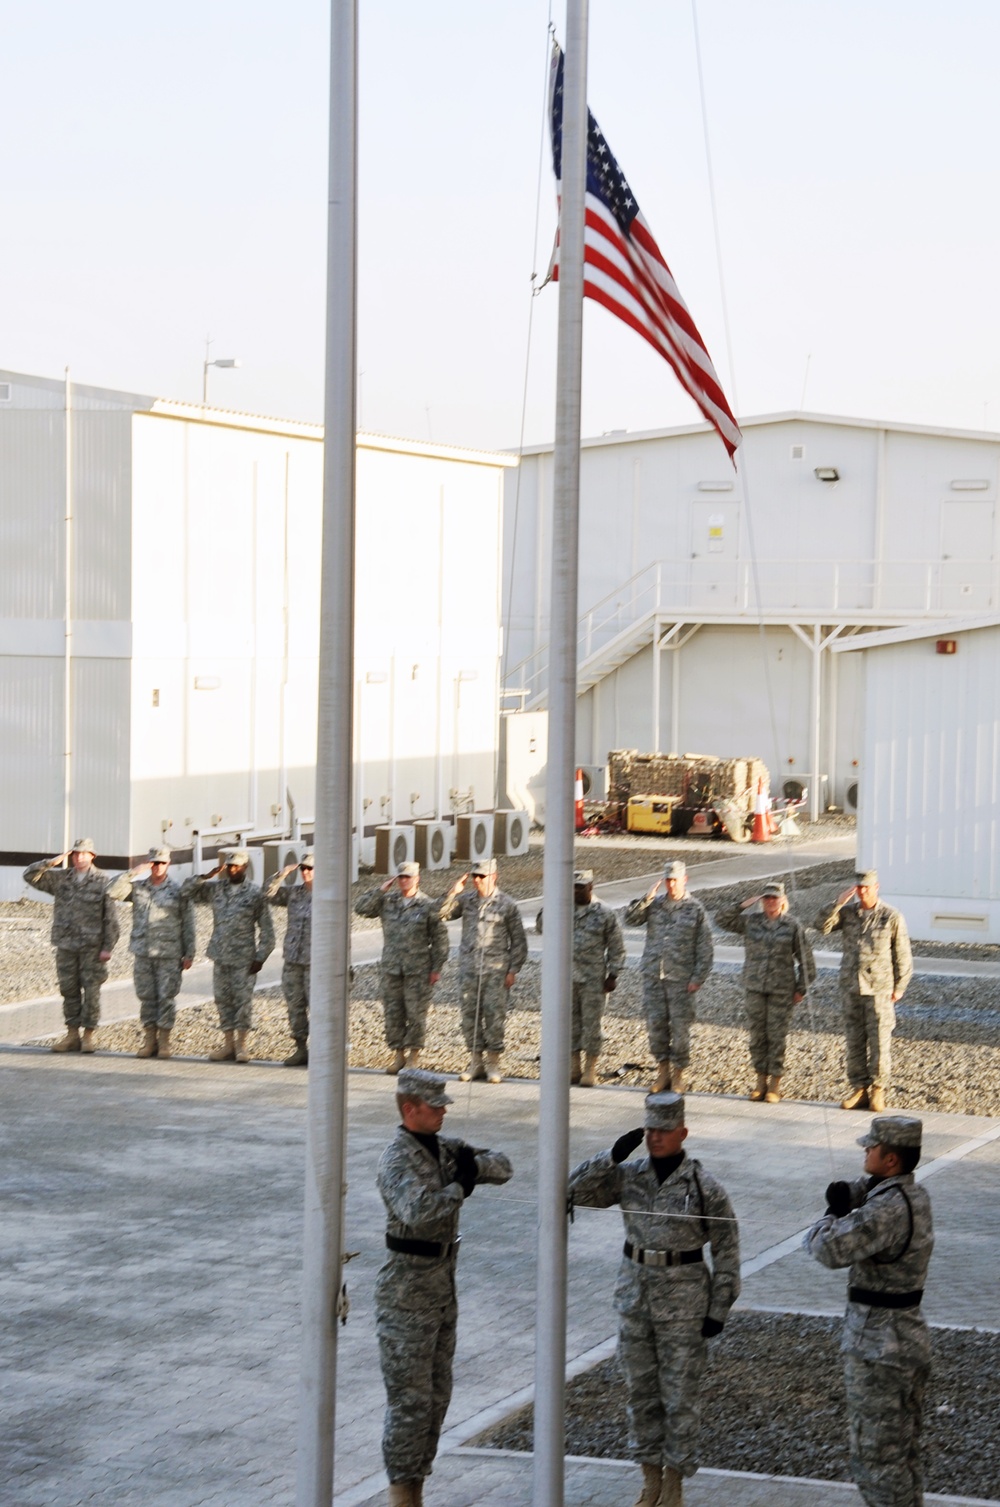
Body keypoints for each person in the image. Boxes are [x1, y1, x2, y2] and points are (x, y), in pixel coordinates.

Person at [569, 1091, 740, 1507]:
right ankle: (649, 1482)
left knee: (680, 1397)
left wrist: (719, 1307)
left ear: (682, 1132)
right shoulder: (630, 1175)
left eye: (664, 1130)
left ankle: (675, 1484)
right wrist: (609, 1156)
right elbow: (573, 1190)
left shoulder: (704, 1186)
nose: (655, 1138)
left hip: (684, 1304)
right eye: (649, 1130)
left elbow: (728, 1249)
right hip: (635, 1298)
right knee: (641, 1392)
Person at [375, 1067, 513, 1506]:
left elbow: (503, 1166)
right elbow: (419, 1210)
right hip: (406, 1291)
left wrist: (473, 1165)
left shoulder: (444, 1149)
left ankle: (418, 1485)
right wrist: (460, 1186)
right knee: (409, 1402)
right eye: (434, 1108)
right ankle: (401, 1493)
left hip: (440, 1289)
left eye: (443, 1106)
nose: (442, 1113)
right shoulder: (396, 1159)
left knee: (436, 1398)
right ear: (409, 1108)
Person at [804, 1115, 933, 1507]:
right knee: (902, 1452)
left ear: (891, 1160)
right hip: (905, 1339)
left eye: (871, 1147)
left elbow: (826, 1248)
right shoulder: (914, 1195)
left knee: (876, 1459)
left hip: (879, 1348)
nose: (865, 1150)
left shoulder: (884, 1211)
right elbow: (877, 1192)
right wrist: (854, 1189)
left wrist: (831, 1213)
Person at [815, 870, 913, 1112]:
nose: (862, 891)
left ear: (876, 887)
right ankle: (859, 1089)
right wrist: (837, 903)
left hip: (879, 989)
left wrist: (900, 986)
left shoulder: (890, 916)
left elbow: (902, 954)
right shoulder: (848, 914)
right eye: (859, 887)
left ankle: (878, 1090)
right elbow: (820, 926)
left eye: (867, 887)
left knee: (880, 1041)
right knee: (854, 1041)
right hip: (851, 986)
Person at [717, 880, 816, 1103]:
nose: (771, 902)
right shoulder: (751, 922)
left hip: (782, 990)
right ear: (762, 901)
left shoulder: (792, 926)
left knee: (777, 1036)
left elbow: (807, 960)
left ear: (782, 900)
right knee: (757, 1036)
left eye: (774, 898)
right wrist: (743, 904)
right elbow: (721, 920)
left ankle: (775, 1084)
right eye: (767, 898)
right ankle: (760, 1081)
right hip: (755, 987)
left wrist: (801, 988)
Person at [23, 838, 120, 1054]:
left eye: (84, 853)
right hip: (66, 944)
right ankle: (72, 1034)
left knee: (92, 990)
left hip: (92, 946)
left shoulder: (103, 881)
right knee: (68, 990)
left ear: (92, 856)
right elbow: (29, 876)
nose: (79, 857)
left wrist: (108, 946)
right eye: (76, 854)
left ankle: (88, 1036)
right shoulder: (61, 879)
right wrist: (50, 863)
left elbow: (111, 919)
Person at [626, 860, 713, 1093]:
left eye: (675, 880)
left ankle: (678, 1075)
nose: (671, 884)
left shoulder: (695, 909)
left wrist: (698, 977)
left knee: (680, 1029)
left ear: (685, 880)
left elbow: (705, 947)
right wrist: (646, 899)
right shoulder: (654, 906)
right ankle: (662, 1072)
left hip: (681, 979)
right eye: (668, 880)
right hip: (654, 976)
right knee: (656, 1026)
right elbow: (630, 919)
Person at [355, 861, 450, 1075]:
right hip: (391, 968)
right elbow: (360, 908)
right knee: (393, 1012)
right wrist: (380, 890)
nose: (404, 881)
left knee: (416, 1013)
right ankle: (398, 1054)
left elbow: (440, 939)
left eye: (408, 877)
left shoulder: (428, 905)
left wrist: (436, 967)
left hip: (418, 969)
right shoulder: (388, 901)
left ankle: (414, 1055)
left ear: (417, 879)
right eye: (400, 877)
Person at [438, 858, 527, 1084]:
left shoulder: (507, 904)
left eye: (482, 877)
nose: (477, 880)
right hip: (469, 968)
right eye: (474, 876)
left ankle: (493, 1063)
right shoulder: (466, 901)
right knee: (470, 1016)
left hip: (496, 970)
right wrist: (453, 892)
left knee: (494, 1016)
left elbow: (519, 941)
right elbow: (440, 914)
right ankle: (475, 1061)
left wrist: (513, 970)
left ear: (493, 877)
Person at [182, 849, 275, 1063]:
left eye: (237, 866)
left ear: (244, 868)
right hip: (220, 955)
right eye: (230, 866)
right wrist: (206, 876)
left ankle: (242, 1045)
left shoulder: (254, 893)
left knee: (243, 1002)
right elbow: (186, 892)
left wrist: (260, 957)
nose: (232, 870)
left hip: (244, 959)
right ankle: (228, 1044)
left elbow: (268, 930)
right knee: (223, 1000)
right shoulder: (216, 889)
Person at [536, 867, 626, 1087]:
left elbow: (617, 947)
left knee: (591, 1025)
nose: (575, 892)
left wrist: (613, 974)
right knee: (569, 1024)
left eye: (579, 888)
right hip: (565, 978)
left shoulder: (604, 912)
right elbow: (541, 927)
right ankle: (573, 1068)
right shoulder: (561, 909)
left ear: (590, 887)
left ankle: (590, 1069)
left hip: (593, 979)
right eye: (572, 888)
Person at [108, 847, 195, 1059]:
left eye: (162, 863)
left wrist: (189, 952)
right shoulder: (138, 888)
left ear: (168, 864)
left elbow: (188, 923)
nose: (157, 867)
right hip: (143, 951)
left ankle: (164, 1042)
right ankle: (149, 1041)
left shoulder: (178, 890)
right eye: (154, 863)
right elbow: (111, 891)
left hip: (169, 952)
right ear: (149, 864)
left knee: (166, 997)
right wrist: (133, 872)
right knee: (146, 996)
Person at [266, 850, 314, 1067]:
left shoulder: (329, 895)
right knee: (295, 1005)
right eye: (303, 868)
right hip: (294, 959)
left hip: (316, 961)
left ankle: (321, 1051)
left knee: (318, 1007)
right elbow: (267, 893)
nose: (305, 872)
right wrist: (282, 873)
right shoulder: (295, 893)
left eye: (310, 868)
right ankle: (300, 1049)